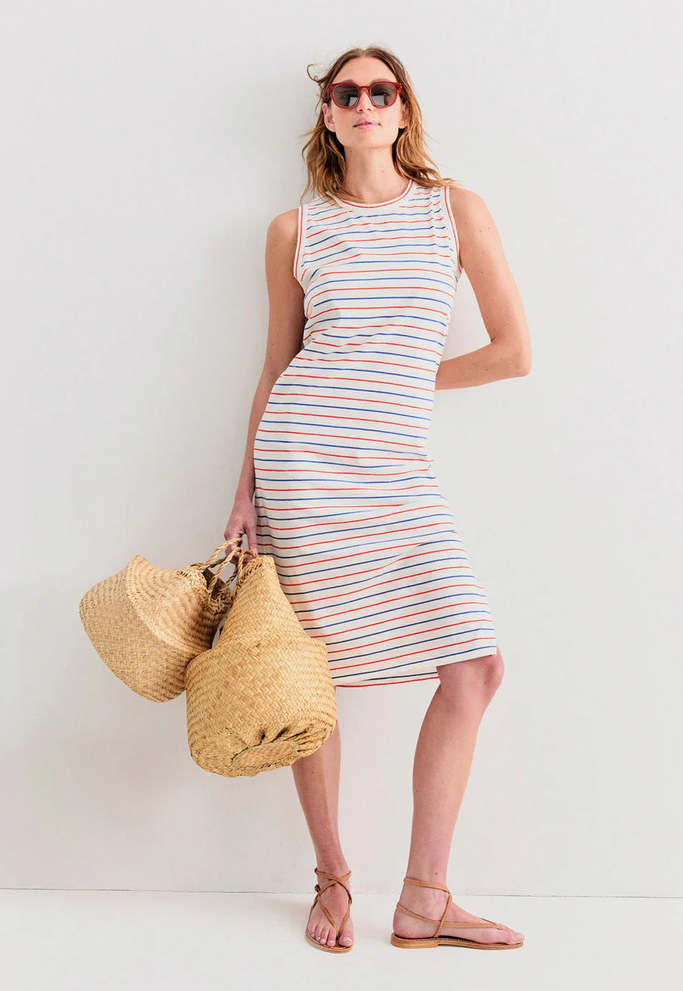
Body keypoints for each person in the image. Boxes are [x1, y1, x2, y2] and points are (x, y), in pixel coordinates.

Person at [224, 46, 531, 952]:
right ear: (328, 114)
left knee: (475, 665)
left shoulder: (455, 211)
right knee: (309, 678)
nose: (364, 101)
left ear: (404, 111)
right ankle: (333, 877)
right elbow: (275, 368)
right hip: (302, 465)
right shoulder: (295, 230)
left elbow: (514, 351)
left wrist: (399, 379)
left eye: (381, 90)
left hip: (395, 469)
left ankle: (425, 897)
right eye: (346, 91)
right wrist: (242, 496)